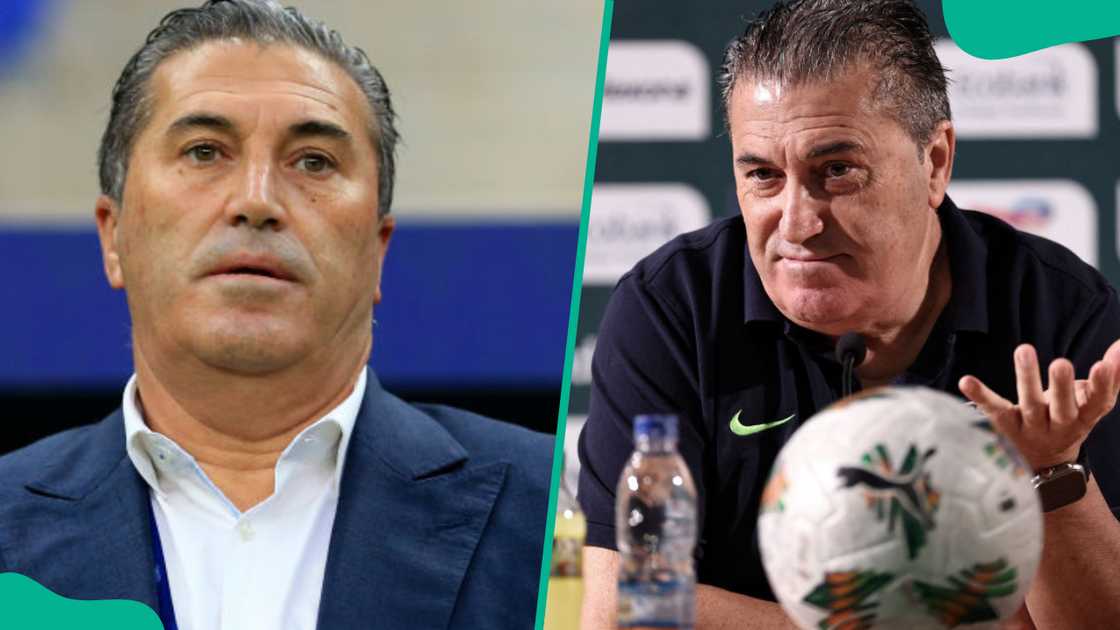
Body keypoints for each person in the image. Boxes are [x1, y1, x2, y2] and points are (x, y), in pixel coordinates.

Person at [0, 2, 552, 629]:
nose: (256, 201)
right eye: (205, 151)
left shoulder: (560, 514)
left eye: (313, 161)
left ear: (378, 250)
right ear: (113, 235)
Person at [577, 1, 1120, 628]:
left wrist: (1052, 475)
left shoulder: (1062, 317)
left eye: (837, 171)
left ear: (935, 161)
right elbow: (629, 608)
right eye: (762, 176)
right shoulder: (672, 309)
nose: (798, 223)